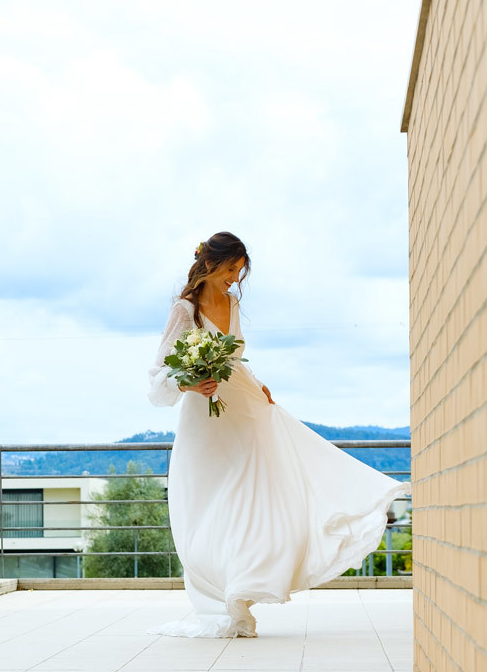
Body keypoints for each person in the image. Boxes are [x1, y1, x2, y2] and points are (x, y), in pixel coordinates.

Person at [147, 231, 406, 638]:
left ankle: (243, 594)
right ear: (210, 264)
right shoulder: (185, 310)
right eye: (231, 269)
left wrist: (256, 381)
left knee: (258, 495)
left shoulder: (231, 303)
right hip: (205, 417)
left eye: (239, 271)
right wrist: (191, 384)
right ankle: (223, 595)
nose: (235, 279)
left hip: (246, 405)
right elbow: (158, 377)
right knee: (209, 504)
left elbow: (233, 357)